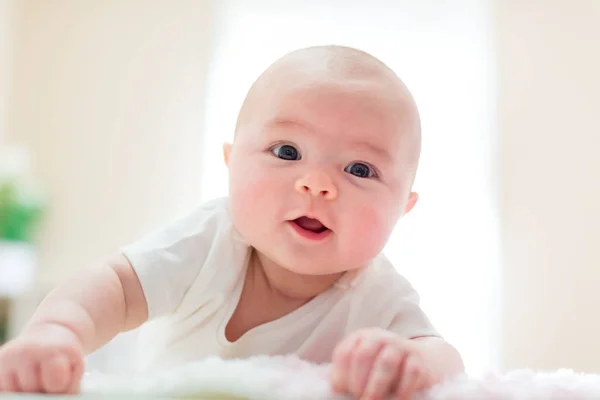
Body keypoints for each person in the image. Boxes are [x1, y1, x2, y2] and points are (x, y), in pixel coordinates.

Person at [0, 45, 464, 400]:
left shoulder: (378, 292)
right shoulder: (210, 240)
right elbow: (115, 288)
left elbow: (445, 357)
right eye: (287, 152)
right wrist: (56, 333)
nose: (317, 184)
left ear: (403, 209)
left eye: (360, 170)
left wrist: (412, 362)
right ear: (230, 163)